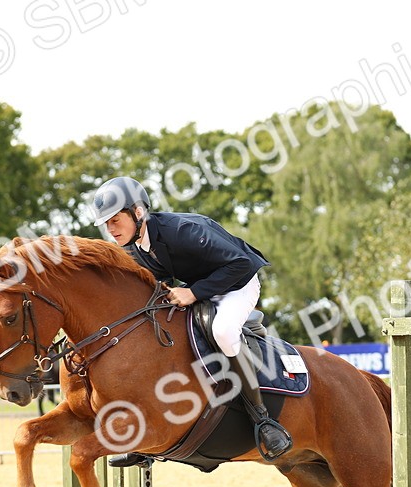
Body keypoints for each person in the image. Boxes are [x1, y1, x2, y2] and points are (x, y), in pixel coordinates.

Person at [91, 176, 292, 461]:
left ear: (138, 212)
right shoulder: (133, 247)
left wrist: (194, 292)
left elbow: (241, 264)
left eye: (114, 220)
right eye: (106, 224)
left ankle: (263, 420)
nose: (111, 229)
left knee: (223, 330)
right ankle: (146, 438)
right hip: (202, 289)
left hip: (238, 283)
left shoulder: (183, 230)